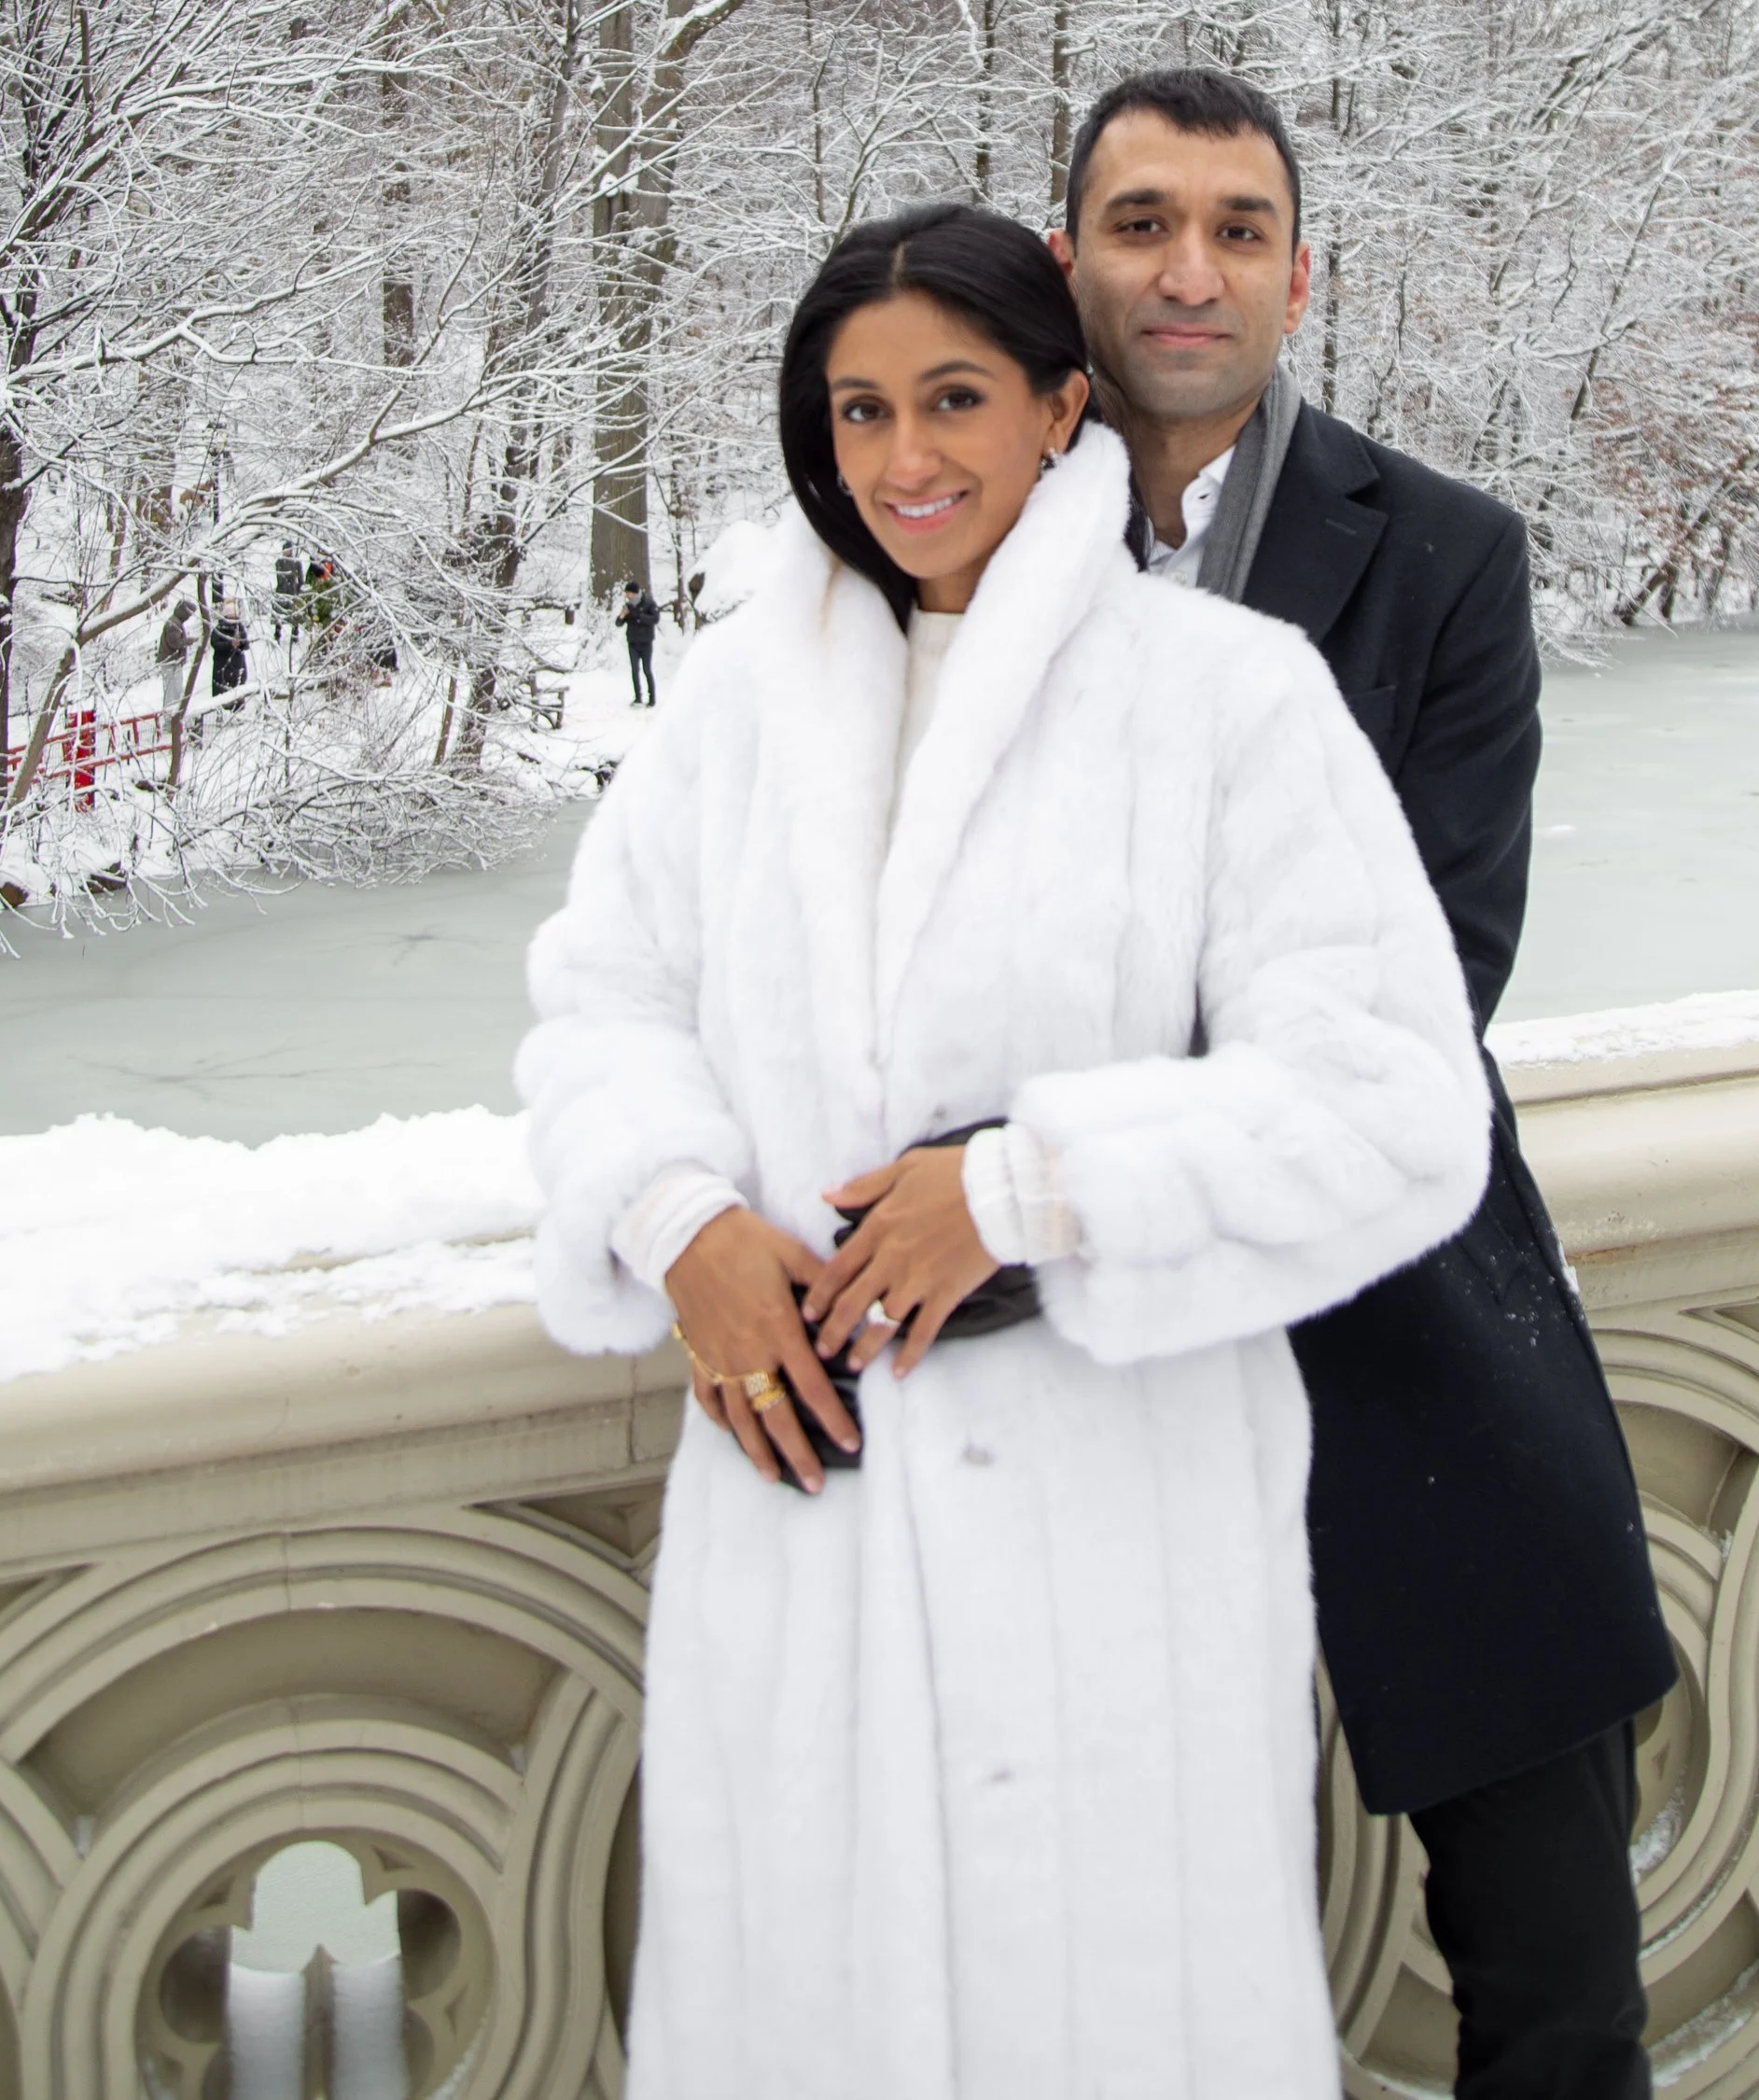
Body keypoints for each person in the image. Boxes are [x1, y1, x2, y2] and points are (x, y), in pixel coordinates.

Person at [520, 203, 1491, 2100]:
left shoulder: (1220, 703)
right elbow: (600, 1003)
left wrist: (1034, 1191)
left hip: (1107, 1538)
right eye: (856, 411)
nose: (901, 461)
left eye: (952, 399)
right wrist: (674, 1216)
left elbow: (1393, 1102)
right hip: (799, 1527)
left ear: (1062, 410)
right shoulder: (728, 713)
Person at [1054, 69, 1678, 2100]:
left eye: (1237, 229)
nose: (1187, 269)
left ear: (1299, 280)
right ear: (1066, 257)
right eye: (1141, 221)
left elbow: (1442, 973)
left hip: (1409, 1301)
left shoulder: (1440, 561)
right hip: (1084, 1336)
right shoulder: (957, 546)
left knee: (1552, 1956)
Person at [613, 577, 660, 705]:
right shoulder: (627, 606)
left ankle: (652, 698)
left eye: (628, 593)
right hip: (633, 642)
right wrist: (622, 616)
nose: (627, 596)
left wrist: (639, 616)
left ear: (634, 593)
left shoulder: (649, 603)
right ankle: (638, 696)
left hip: (646, 642)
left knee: (647, 670)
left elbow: (655, 619)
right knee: (634, 670)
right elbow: (618, 623)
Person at [153, 596, 193, 730]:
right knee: (172, 693)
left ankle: (172, 720)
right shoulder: (174, 624)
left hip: (173, 663)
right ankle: (169, 722)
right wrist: (188, 641)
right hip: (171, 663)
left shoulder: (174, 622)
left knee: (175, 692)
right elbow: (174, 642)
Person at [207, 587, 249, 700]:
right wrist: (230, 644)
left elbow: (246, 644)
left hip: (237, 665)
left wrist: (240, 643)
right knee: (222, 695)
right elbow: (215, 644)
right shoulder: (219, 628)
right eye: (231, 615)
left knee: (237, 694)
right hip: (223, 667)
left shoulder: (240, 628)